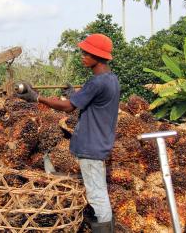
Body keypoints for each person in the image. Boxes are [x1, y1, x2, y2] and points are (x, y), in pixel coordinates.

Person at [17, 33, 120, 233]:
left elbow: (67, 108)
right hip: (99, 143)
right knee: (96, 191)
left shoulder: (96, 82)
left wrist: (36, 98)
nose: (82, 55)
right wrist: (73, 94)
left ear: (97, 56)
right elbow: (88, 101)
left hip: (91, 146)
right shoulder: (111, 79)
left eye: (86, 52)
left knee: (97, 195)